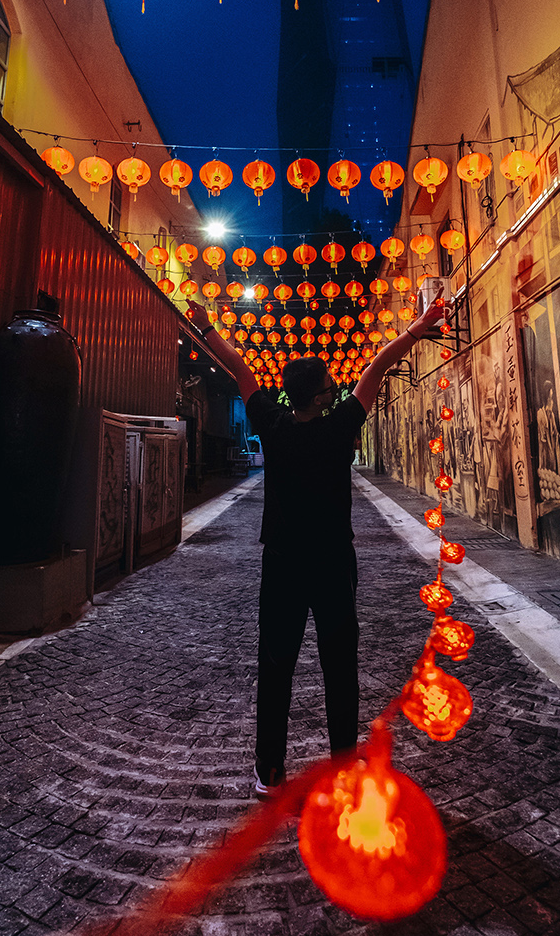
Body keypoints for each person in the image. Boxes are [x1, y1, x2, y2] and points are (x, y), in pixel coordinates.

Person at [187, 290, 447, 797]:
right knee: (339, 667)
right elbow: (376, 365)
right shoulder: (339, 429)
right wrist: (418, 327)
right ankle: (344, 768)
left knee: (275, 664)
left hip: (282, 561)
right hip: (331, 561)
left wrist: (205, 326)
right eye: (330, 384)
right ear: (320, 396)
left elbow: (241, 368)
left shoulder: (272, 424)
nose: (336, 386)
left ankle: (268, 769)